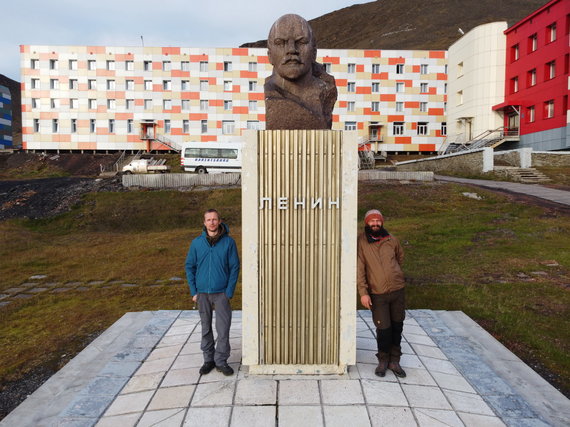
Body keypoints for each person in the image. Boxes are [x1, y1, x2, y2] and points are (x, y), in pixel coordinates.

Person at [185, 209, 240, 376]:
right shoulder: (196, 243)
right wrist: (194, 291)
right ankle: (208, 360)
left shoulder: (229, 243)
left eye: (215, 219)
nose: (212, 222)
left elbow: (235, 267)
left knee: (223, 328)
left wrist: (228, 292)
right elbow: (189, 267)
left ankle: (221, 361)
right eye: (208, 220)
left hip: (221, 293)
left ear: (220, 221)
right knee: (205, 328)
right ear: (204, 223)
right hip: (202, 293)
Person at [264, 13, 337, 130]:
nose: (292, 49)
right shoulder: (270, 92)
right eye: (280, 43)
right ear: (269, 55)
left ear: (314, 53)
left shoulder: (326, 90)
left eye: (301, 42)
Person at [357, 209, 407, 378]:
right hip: (378, 294)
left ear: (382, 222)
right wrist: (363, 292)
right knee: (383, 328)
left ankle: (395, 361)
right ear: (367, 223)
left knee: (397, 326)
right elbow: (359, 269)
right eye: (372, 221)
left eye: (378, 221)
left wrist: (396, 274)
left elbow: (399, 258)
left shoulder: (392, 239)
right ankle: (383, 360)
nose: (375, 224)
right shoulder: (362, 242)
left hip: (397, 290)